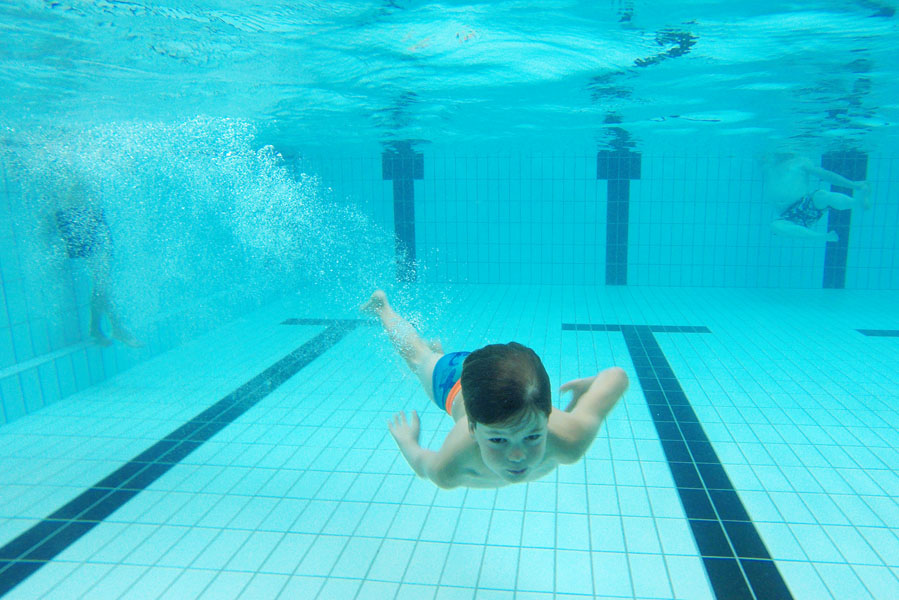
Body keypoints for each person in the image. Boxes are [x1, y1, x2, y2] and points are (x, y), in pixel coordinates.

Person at [361, 290, 628, 489]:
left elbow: (617, 377)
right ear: (473, 429)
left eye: (533, 436)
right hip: (454, 381)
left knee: (425, 358)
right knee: (419, 358)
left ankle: (439, 352)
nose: (517, 455)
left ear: (547, 417)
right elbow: (422, 464)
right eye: (498, 440)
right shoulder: (451, 465)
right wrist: (408, 441)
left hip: (509, 378)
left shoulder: (571, 440)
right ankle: (382, 307)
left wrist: (589, 386)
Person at [52, 181, 141, 348]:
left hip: (90, 220)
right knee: (102, 284)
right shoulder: (70, 161)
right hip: (78, 219)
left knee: (102, 283)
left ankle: (99, 328)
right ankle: (113, 328)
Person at [764, 152, 870, 242]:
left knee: (822, 195)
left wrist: (853, 185)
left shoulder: (800, 162)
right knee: (775, 226)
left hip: (805, 203)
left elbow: (826, 175)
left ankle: (857, 202)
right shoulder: (769, 164)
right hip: (787, 215)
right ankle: (824, 237)